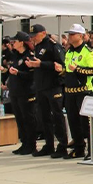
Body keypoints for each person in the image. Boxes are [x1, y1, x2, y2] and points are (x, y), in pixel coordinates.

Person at [25, 24, 66, 158]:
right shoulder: (37, 46)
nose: (33, 38)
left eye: (35, 35)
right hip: (41, 86)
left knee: (57, 116)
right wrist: (33, 65)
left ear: (43, 33)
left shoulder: (53, 45)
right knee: (44, 117)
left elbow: (61, 65)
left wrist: (41, 64)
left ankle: (62, 145)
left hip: (53, 86)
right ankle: (49, 145)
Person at [61, 24, 93, 159]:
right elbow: (68, 70)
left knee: (87, 123)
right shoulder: (69, 51)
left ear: (81, 36)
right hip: (70, 91)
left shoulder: (88, 52)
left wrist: (78, 69)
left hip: (84, 91)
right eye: (69, 34)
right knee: (73, 121)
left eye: (73, 34)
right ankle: (79, 148)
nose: (70, 37)